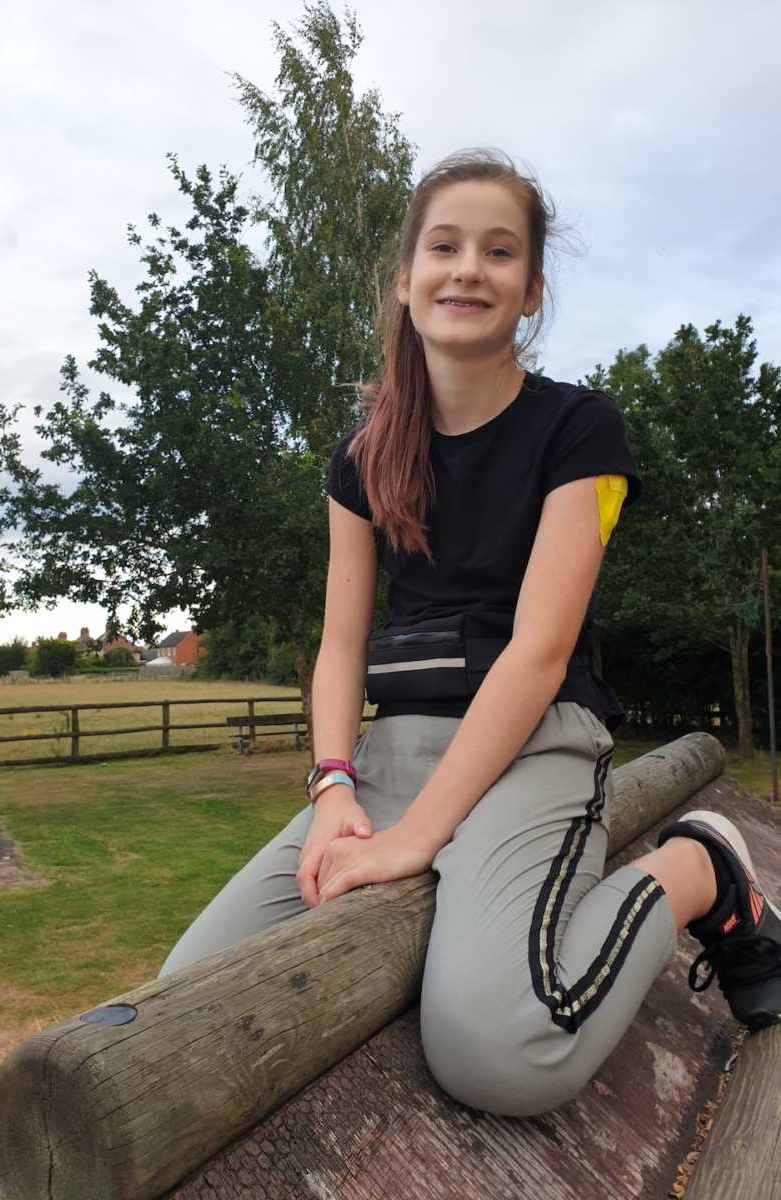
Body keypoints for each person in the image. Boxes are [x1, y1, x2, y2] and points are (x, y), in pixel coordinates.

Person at [159, 148, 781, 1115]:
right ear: (405, 280)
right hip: (390, 753)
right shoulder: (362, 459)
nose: (467, 269)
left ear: (530, 292)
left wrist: (418, 836)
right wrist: (333, 791)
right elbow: (340, 645)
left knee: (497, 1052)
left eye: (499, 252)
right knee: (181, 1007)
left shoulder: (579, 432)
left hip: (532, 746)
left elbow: (538, 653)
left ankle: (700, 869)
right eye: (443, 247)